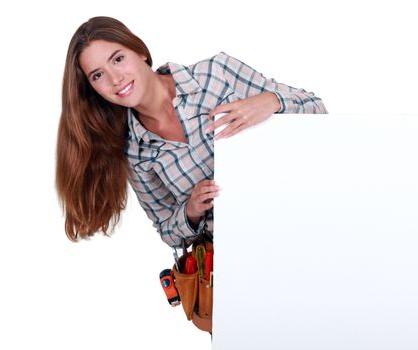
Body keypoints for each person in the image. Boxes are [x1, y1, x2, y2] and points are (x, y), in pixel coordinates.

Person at [56, 16, 328, 249]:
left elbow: (316, 109)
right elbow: (168, 232)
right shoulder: (135, 152)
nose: (115, 79)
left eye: (118, 59)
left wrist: (271, 102)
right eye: (98, 75)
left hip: (301, 226)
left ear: (139, 51)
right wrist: (191, 210)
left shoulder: (216, 74)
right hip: (237, 267)